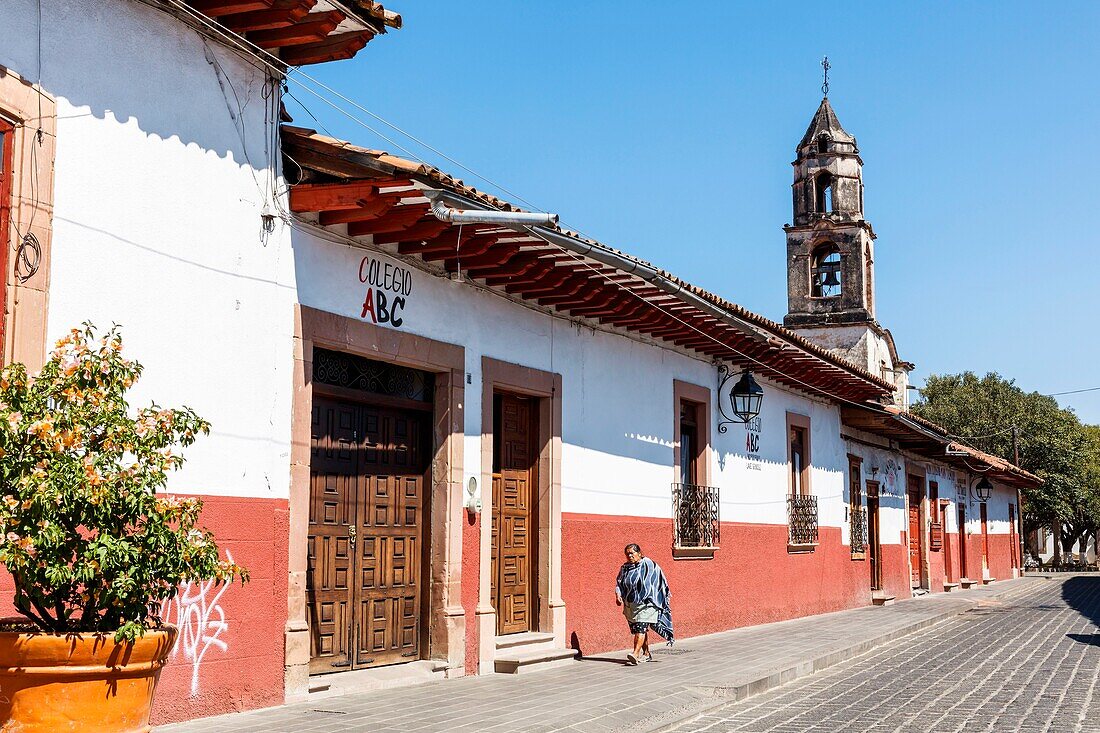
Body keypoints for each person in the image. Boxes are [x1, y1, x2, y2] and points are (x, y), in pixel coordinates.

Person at [614, 543, 673, 665]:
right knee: (640, 629)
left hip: (647, 603)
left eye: (632, 553)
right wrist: (618, 595)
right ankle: (646, 654)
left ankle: (635, 654)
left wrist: (655, 595)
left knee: (640, 628)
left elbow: (659, 580)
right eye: (627, 554)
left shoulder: (649, 564)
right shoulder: (625, 568)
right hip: (631, 604)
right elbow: (619, 583)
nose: (629, 556)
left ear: (639, 553)